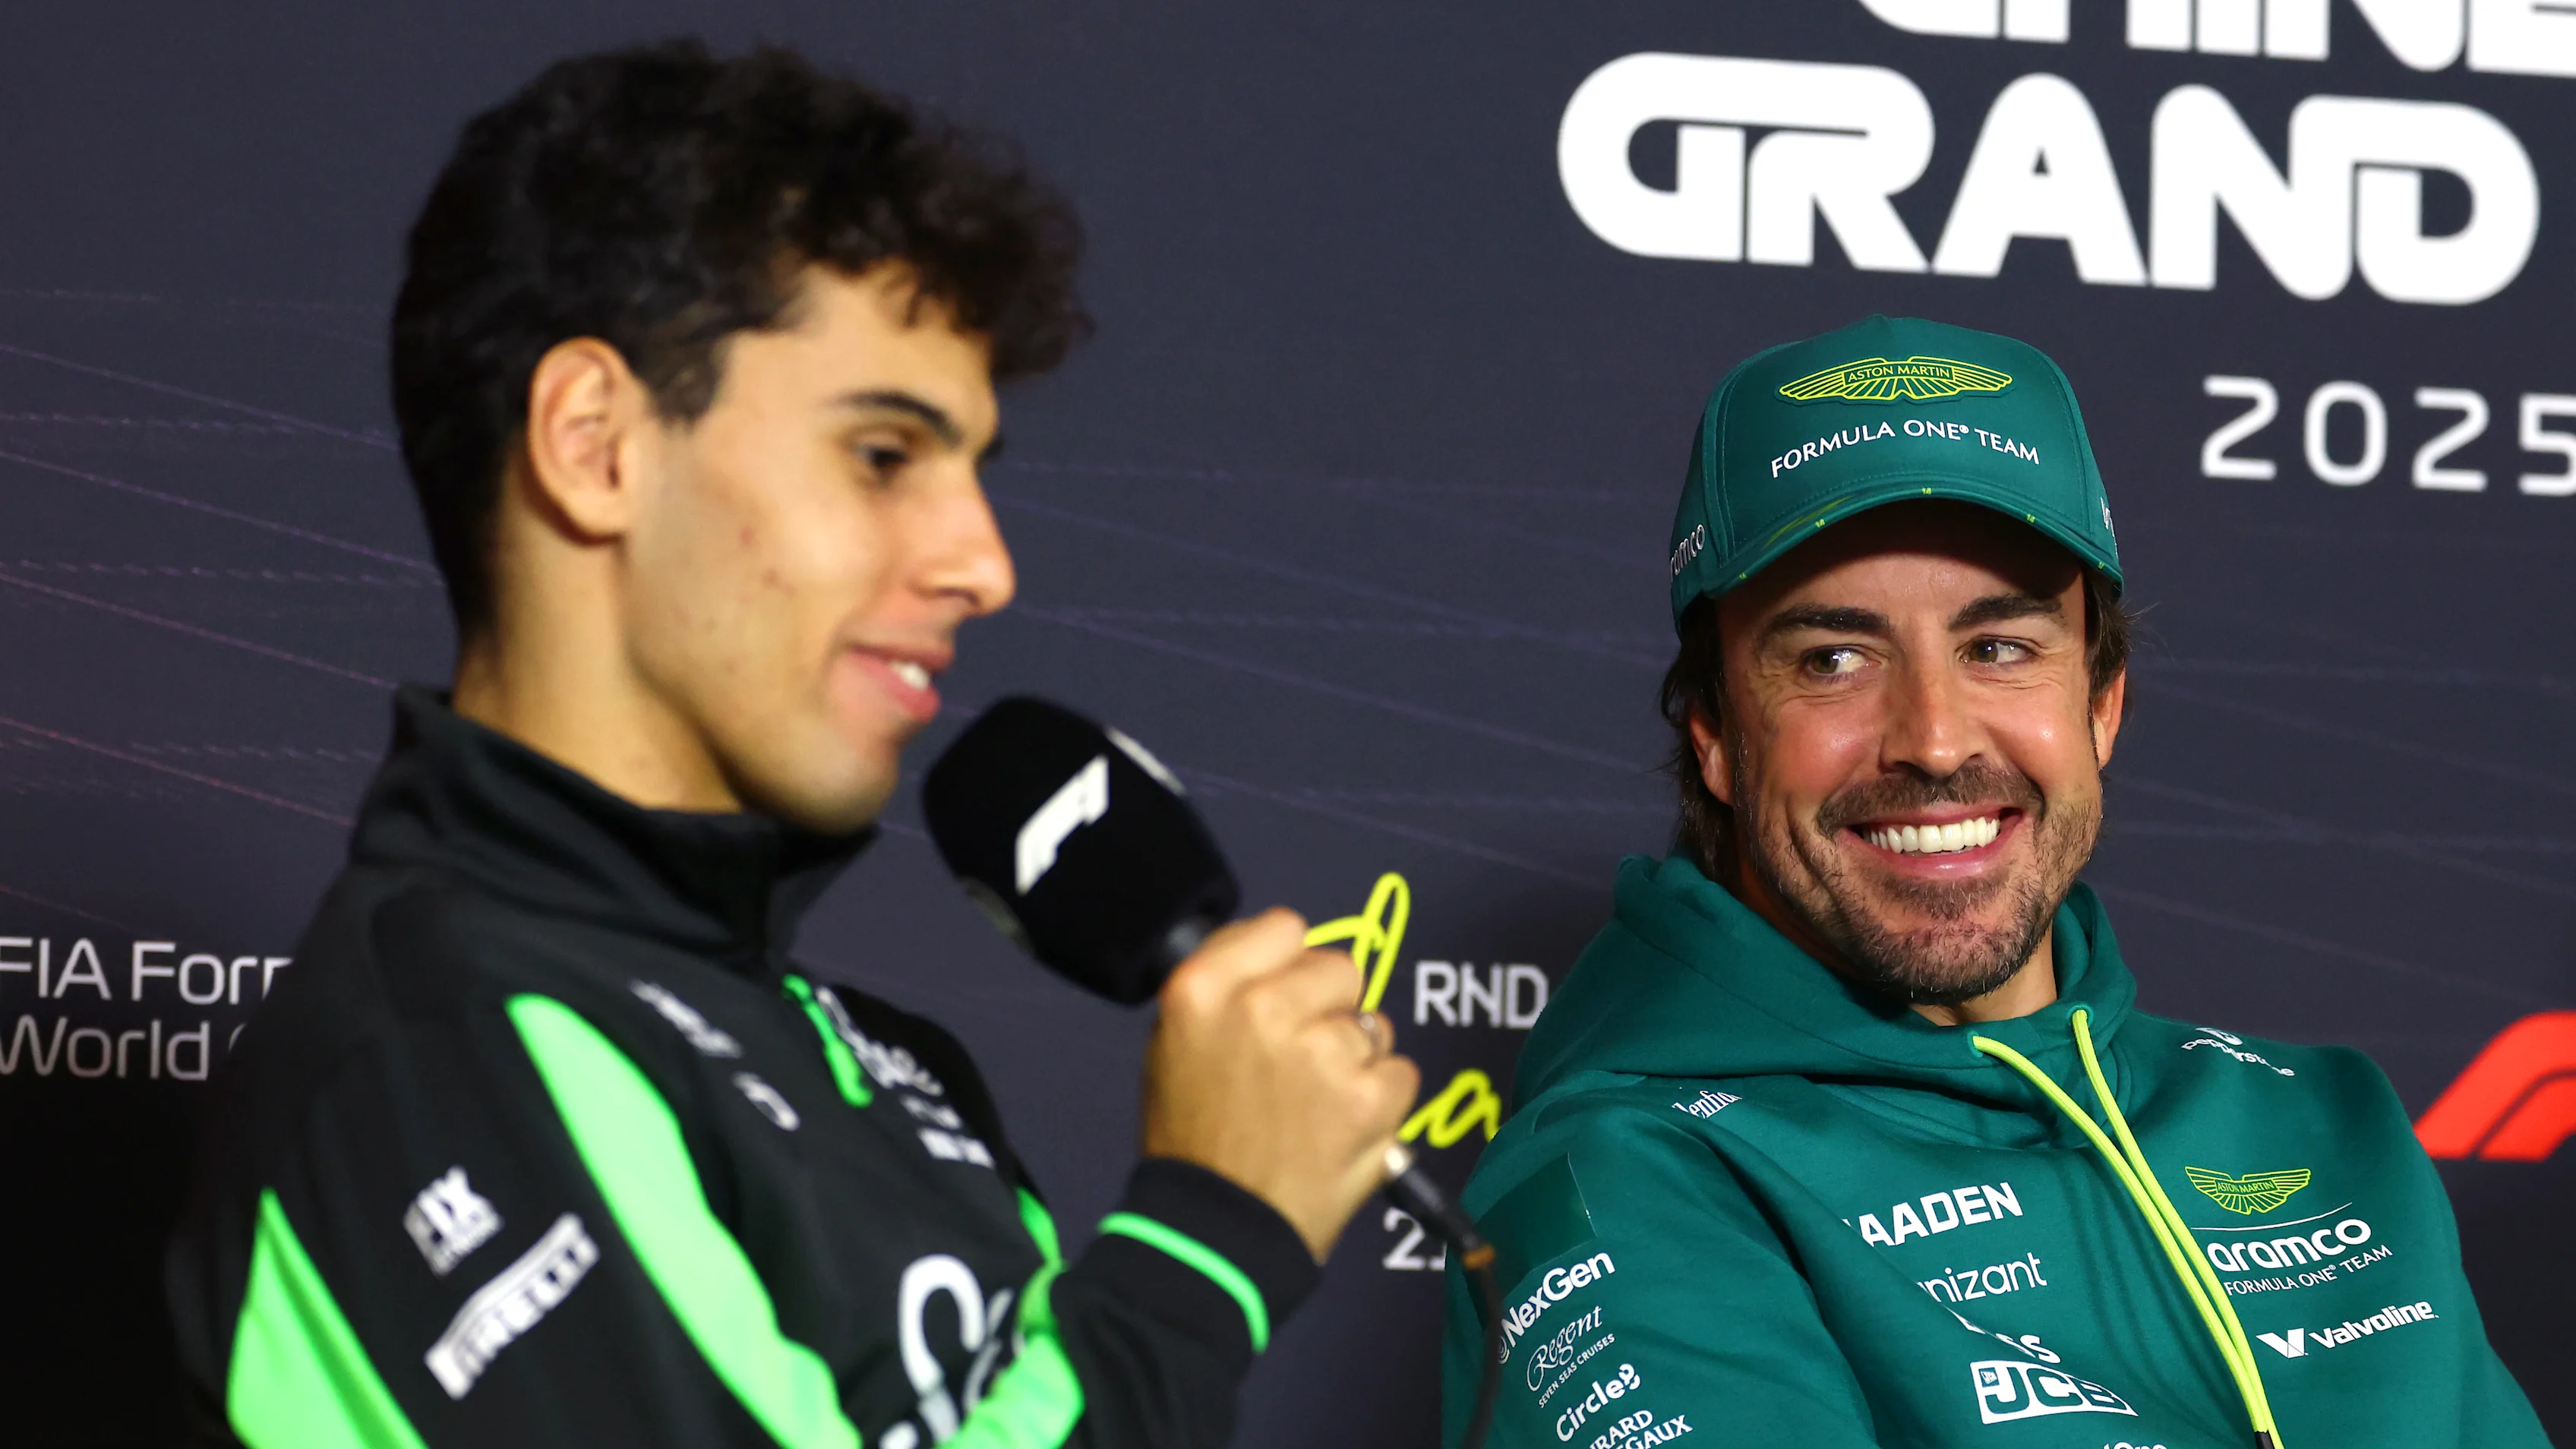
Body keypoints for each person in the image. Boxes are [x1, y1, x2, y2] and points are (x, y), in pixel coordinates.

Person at [166, 42, 1419, 1449]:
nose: (984, 564)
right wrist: (1207, 1245)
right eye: (883, 456)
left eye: (973, 474)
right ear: (595, 444)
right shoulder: (426, 1059)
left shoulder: (898, 1070)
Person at [1441, 316, 2544, 1449]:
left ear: (2102, 702)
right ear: (1717, 734)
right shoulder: (1617, 1177)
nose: (1932, 739)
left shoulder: (2322, 1121)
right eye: (1833, 659)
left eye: (2000, 648)